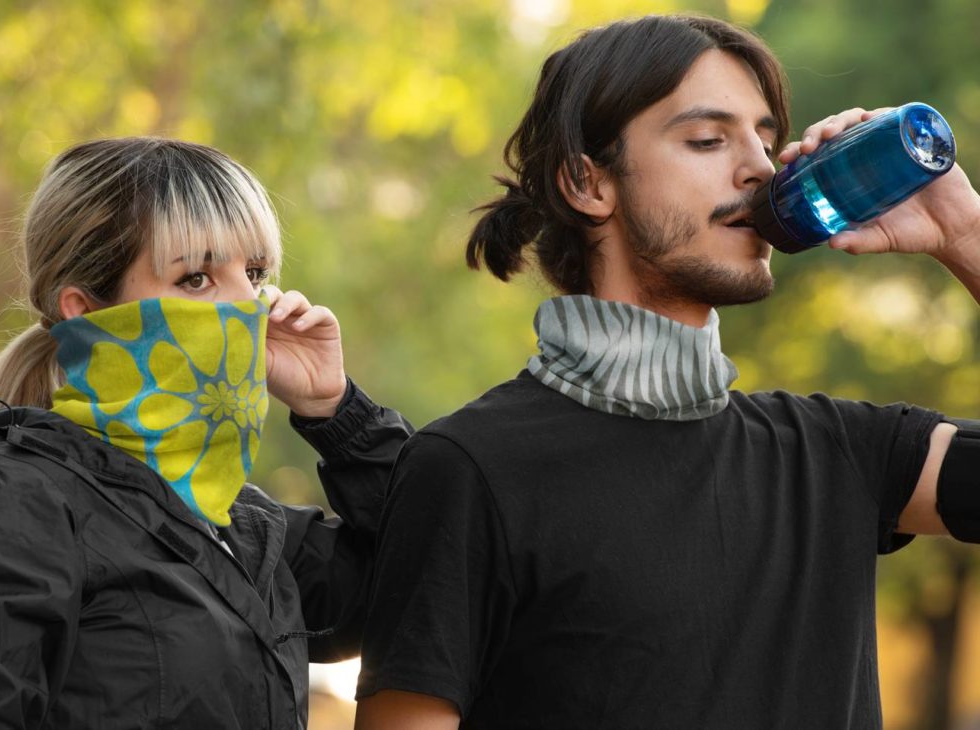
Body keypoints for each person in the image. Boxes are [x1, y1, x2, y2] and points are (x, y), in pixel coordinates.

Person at [352, 14, 980, 730]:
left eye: (767, 142)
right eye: (708, 140)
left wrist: (965, 232)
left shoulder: (840, 455)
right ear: (588, 183)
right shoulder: (469, 469)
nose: (760, 169)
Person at [0, 137, 412, 729]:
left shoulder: (245, 528)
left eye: (254, 273)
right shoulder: (15, 503)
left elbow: (428, 570)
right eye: (196, 278)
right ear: (84, 309)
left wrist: (335, 409)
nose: (250, 305)